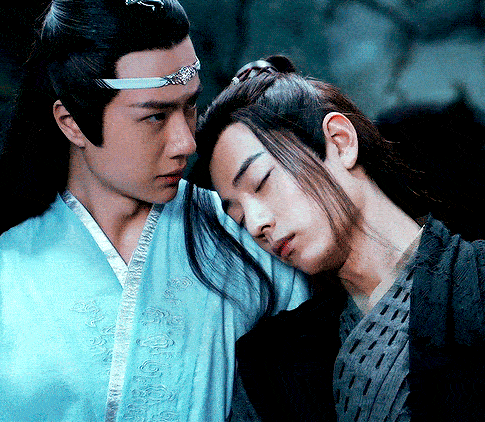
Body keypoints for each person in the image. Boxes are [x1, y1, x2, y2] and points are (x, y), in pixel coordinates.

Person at [0, 0, 308, 421]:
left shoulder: (251, 236)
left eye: (190, 106)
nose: (186, 142)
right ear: (71, 122)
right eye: (155, 116)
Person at [186, 55, 485, 422]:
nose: (257, 224)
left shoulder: (477, 279)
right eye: (240, 216)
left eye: (262, 182)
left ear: (341, 142)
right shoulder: (272, 367)